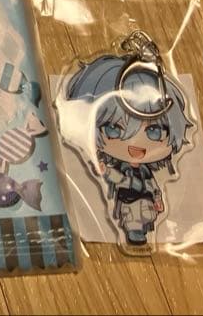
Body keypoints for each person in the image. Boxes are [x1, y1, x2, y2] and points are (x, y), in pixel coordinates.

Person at [62, 54, 192, 248]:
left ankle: (141, 231)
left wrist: (157, 199)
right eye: (113, 129)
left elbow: (153, 185)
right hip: (128, 202)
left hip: (145, 203)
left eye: (154, 131)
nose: (133, 145)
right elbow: (116, 179)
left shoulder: (146, 172)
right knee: (133, 219)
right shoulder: (120, 170)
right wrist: (107, 172)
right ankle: (135, 233)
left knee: (145, 216)